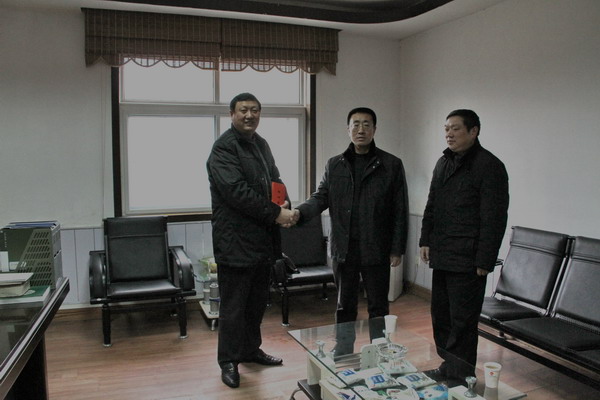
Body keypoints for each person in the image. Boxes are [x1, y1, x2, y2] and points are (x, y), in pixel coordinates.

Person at [295, 107, 408, 349]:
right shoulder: (335, 164)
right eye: (355, 124)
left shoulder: (391, 164)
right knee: (344, 303)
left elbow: (400, 209)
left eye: (366, 124)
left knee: (378, 304)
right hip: (344, 248)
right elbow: (321, 197)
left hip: (376, 247)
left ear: (374, 129)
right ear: (348, 129)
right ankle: (343, 348)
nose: (361, 129)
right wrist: (298, 213)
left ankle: (379, 349)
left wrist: (397, 248)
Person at [206, 92, 297, 389]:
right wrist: (276, 213)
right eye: (243, 110)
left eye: (255, 110)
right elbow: (237, 193)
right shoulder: (223, 148)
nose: (250, 115)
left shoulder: (261, 144)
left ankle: (249, 350)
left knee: (257, 303)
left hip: (261, 241)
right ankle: (228, 361)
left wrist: (285, 203)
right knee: (233, 308)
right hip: (235, 243)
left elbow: (275, 179)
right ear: (231, 114)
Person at [419, 109, 509, 385]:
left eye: (455, 128)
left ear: (474, 131)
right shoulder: (443, 162)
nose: (449, 133)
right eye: (446, 128)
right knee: (441, 316)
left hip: (469, 259)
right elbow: (432, 203)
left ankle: (462, 375)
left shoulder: (489, 165)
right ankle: (449, 366)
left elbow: (494, 217)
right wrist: (425, 239)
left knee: (463, 320)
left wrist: (485, 259)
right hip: (443, 253)